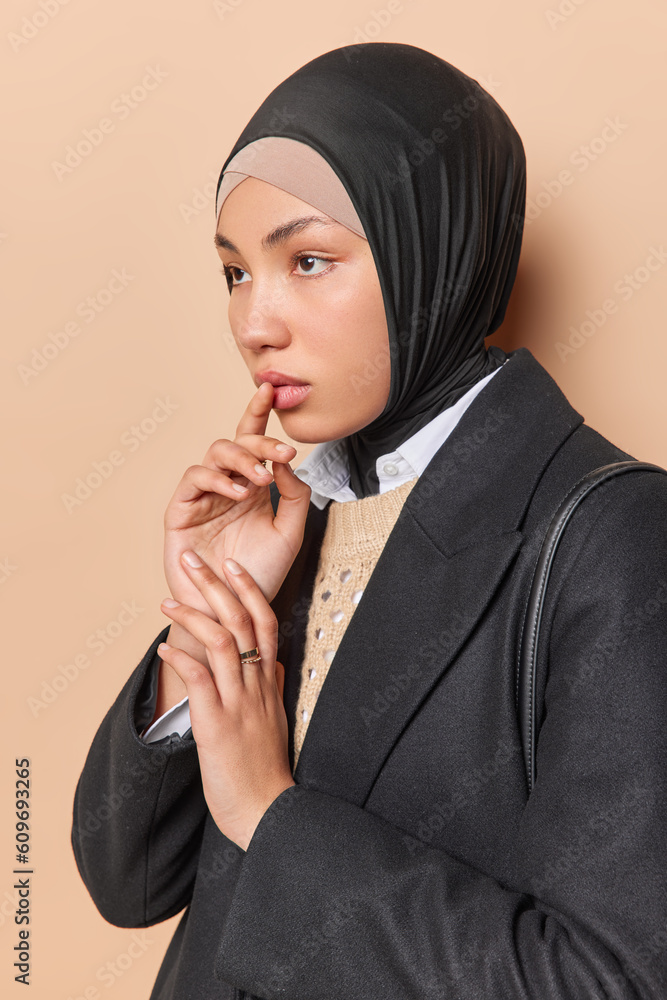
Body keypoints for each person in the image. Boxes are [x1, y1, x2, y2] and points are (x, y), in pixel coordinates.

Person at [71, 41, 667, 1000]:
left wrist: (270, 814)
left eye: (308, 261)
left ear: (437, 248)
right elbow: (128, 883)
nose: (254, 323)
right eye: (234, 273)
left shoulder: (615, 537)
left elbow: (605, 982)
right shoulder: (289, 516)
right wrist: (209, 613)